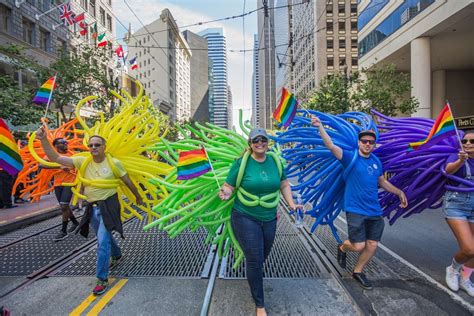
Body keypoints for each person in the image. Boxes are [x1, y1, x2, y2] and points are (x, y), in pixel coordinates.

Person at [36, 127, 143, 295]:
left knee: (101, 241)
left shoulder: (114, 163)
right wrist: (43, 140)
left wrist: (138, 196)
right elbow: (55, 157)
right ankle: (117, 254)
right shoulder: (82, 161)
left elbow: (127, 180)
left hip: (109, 205)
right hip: (92, 207)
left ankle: (102, 278)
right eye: (91, 145)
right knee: (105, 236)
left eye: (97, 145)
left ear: (104, 147)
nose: (93, 147)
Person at [311, 116, 408, 290]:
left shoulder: (376, 161)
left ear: (374, 144)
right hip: (355, 209)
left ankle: (358, 271)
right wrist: (320, 127)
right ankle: (342, 247)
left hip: (374, 210)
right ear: (359, 142)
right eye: (364, 141)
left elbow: (382, 182)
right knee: (358, 245)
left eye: (371, 141)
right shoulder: (350, 157)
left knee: (372, 244)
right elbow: (331, 146)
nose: (367, 144)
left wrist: (399, 191)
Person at [218, 127, 301, 316]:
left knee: (262, 255)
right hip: (245, 215)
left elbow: (284, 184)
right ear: (250, 143)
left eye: (263, 139)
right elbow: (229, 186)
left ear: (267, 142)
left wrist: (291, 204)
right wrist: (225, 193)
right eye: (256, 140)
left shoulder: (275, 161)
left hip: (270, 217)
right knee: (255, 259)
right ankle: (260, 305)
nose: (260, 143)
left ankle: (252, 273)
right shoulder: (241, 163)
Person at [444, 130, 474, 297]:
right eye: (465, 141)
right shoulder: (456, 156)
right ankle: (453, 268)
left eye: (472, 141)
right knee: (469, 249)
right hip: (456, 205)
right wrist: (460, 161)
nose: (467, 144)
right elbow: (448, 171)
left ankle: (465, 278)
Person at [41, 138, 79, 241]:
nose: (65, 144)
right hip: (58, 184)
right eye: (62, 143)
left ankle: (63, 231)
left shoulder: (72, 154)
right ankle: (75, 223)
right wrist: (60, 166)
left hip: (70, 182)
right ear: (55, 145)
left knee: (63, 206)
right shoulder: (53, 155)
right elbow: (42, 164)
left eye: (66, 142)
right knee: (64, 207)